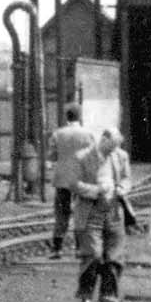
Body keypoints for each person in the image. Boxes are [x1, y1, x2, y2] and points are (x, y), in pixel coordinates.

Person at [73, 128, 132, 302]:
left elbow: (126, 177)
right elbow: (74, 184)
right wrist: (97, 190)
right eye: (111, 147)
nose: (113, 151)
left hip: (114, 212)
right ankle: (85, 297)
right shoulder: (82, 157)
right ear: (103, 139)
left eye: (116, 148)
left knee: (114, 258)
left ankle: (108, 299)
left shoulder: (120, 156)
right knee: (93, 255)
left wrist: (122, 187)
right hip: (91, 212)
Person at [48, 104, 97, 258]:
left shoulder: (58, 134)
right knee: (81, 212)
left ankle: (57, 249)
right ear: (79, 116)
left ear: (66, 117)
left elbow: (53, 156)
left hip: (62, 179)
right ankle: (79, 248)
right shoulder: (88, 134)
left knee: (61, 213)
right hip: (81, 179)